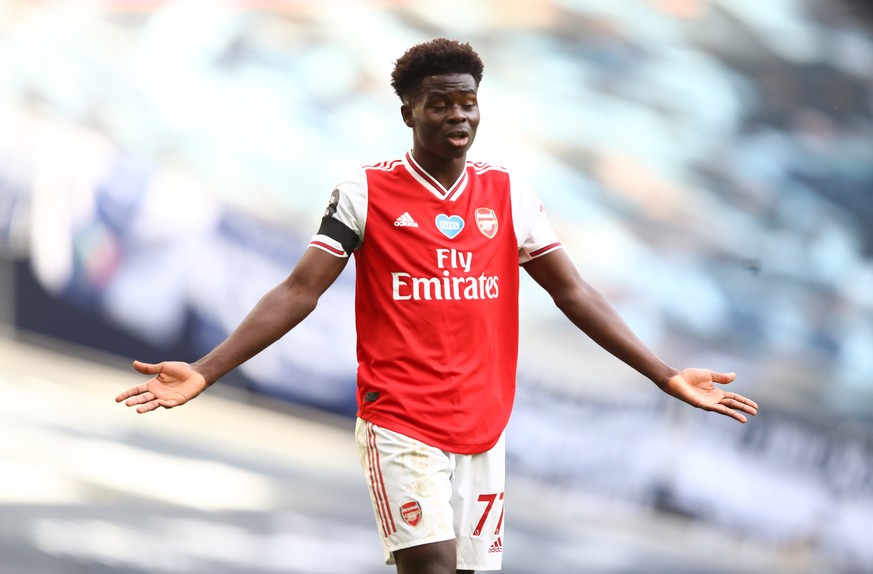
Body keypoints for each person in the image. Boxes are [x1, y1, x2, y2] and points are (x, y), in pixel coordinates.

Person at [115, 38, 758, 574]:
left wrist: (663, 373)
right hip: (400, 419)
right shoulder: (365, 192)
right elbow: (298, 290)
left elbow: (573, 291)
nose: (459, 116)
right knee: (431, 570)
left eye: (468, 103)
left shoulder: (508, 195)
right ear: (408, 113)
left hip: (483, 424)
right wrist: (208, 368)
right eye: (440, 103)